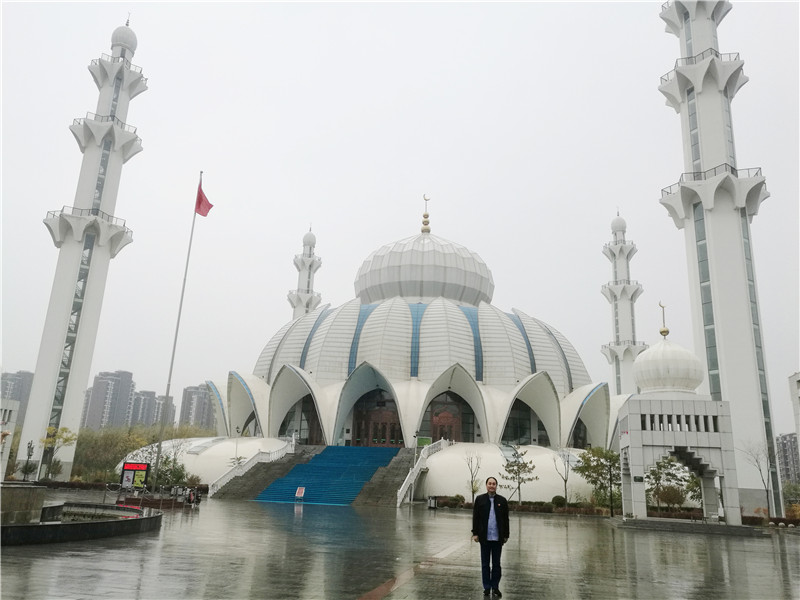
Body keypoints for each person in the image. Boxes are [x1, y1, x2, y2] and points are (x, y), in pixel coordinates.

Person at [472, 476, 510, 597]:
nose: (492, 485)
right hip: (484, 537)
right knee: (485, 564)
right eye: (490, 483)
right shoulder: (480, 499)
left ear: (496, 486)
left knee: (497, 564)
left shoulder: (502, 501)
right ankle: (487, 587)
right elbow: (476, 517)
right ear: (486, 485)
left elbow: (506, 519)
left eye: (494, 484)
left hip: (497, 538)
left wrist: (506, 535)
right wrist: (475, 533)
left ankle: (495, 586)